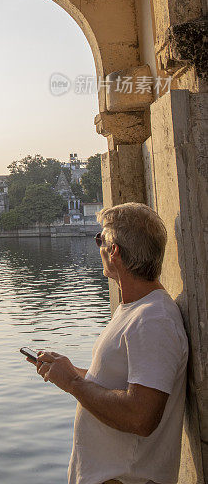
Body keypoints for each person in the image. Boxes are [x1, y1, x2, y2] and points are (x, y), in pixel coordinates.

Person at [29, 202, 189, 484]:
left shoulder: (153, 320)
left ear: (114, 251)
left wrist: (73, 384)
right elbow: (120, 386)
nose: (98, 247)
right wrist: (68, 372)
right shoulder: (136, 311)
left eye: (99, 239)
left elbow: (141, 416)